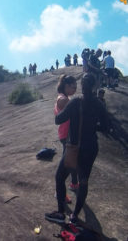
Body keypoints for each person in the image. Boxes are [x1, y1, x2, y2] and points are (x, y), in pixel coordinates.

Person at [45, 73, 108, 224]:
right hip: (91, 147)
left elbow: (58, 120)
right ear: (93, 86)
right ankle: (75, 216)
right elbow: (106, 127)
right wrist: (92, 126)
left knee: (60, 177)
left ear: (82, 86)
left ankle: (61, 213)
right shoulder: (99, 104)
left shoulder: (75, 102)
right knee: (83, 181)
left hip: (74, 147)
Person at [54, 74, 78, 204]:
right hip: (66, 135)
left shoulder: (66, 97)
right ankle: (59, 192)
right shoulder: (63, 99)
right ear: (66, 86)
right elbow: (76, 107)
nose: (75, 89)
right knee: (66, 164)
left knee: (72, 161)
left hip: (69, 134)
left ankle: (74, 183)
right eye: (73, 87)